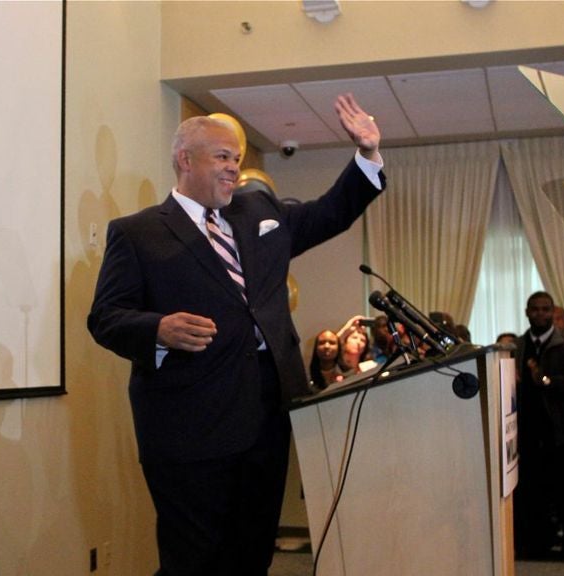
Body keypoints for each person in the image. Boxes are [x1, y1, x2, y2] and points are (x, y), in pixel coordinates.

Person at [87, 93, 384, 576]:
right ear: (185, 160)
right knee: (195, 559)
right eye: (222, 157)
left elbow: (330, 212)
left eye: (237, 159)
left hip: (266, 418)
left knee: (251, 554)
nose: (233, 168)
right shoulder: (138, 233)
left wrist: (367, 154)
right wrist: (158, 328)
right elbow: (106, 317)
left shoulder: (258, 213)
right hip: (188, 427)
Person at [513, 291, 564, 560]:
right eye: (534, 309)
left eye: (545, 309)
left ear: (553, 312)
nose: (540, 314)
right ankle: (534, 547)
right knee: (532, 496)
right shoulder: (517, 346)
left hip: (563, 434)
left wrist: (548, 381)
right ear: (526, 312)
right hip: (526, 433)